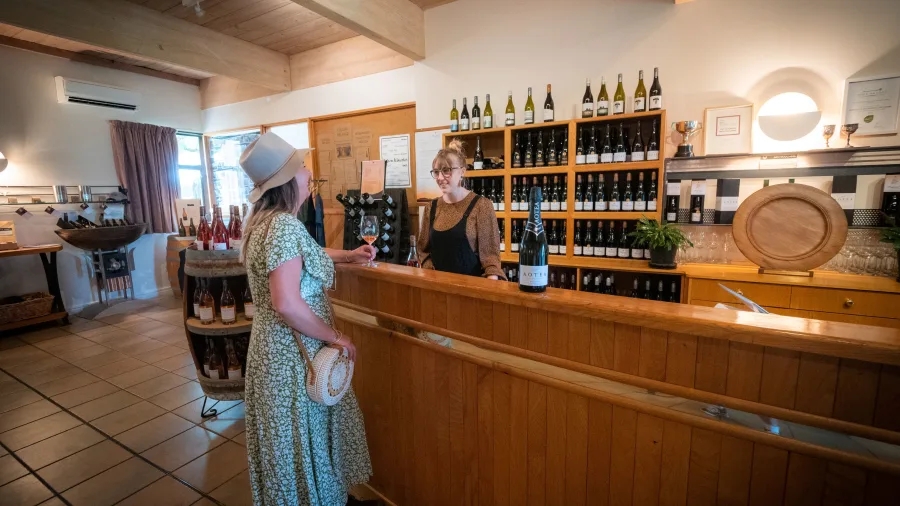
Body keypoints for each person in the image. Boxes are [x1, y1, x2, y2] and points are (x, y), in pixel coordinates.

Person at [238, 132, 375, 506]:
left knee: (288, 448)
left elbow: (304, 252)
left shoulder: (264, 221)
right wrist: (337, 337)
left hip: (270, 352)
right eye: (302, 168)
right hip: (290, 358)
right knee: (303, 440)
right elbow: (287, 303)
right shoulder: (282, 226)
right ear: (287, 181)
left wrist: (348, 255)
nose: (308, 173)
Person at [417, 139, 505, 279]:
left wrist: (490, 288)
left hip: (470, 291)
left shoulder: (481, 206)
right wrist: (430, 274)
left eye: (446, 171)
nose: (440, 177)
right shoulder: (431, 208)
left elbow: (491, 261)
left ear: (462, 171)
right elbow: (423, 250)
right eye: (436, 172)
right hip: (438, 290)